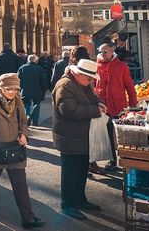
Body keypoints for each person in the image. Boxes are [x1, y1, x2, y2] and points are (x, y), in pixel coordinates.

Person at [0, 73, 44, 228]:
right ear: (0, 87)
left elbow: (24, 121)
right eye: (8, 88)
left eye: (15, 89)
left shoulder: (18, 100)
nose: (12, 92)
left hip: (15, 148)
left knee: (20, 183)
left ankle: (28, 218)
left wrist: (24, 134)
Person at [52, 58, 104, 220]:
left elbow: (92, 99)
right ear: (78, 73)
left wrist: (100, 104)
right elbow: (68, 110)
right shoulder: (65, 85)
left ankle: (80, 200)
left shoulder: (83, 84)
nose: (90, 81)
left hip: (81, 135)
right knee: (70, 172)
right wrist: (95, 110)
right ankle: (68, 205)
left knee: (81, 170)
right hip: (69, 136)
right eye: (89, 78)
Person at [95, 43, 137, 171]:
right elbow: (93, 85)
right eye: (100, 51)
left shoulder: (121, 66)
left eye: (105, 51)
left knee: (120, 135)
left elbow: (129, 87)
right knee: (107, 135)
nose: (102, 54)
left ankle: (126, 161)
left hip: (119, 106)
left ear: (112, 52)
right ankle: (112, 161)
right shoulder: (96, 66)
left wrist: (133, 106)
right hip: (103, 107)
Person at [18, 55, 48, 127]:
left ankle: (27, 116)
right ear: (35, 60)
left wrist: (20, 88)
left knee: (26, 105)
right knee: (36, 104)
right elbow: (43, 80)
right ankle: (34, 120)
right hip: (37, 89)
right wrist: (44, 88)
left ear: (28, 60)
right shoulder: (40, 68)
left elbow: (18, 79)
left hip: (25, 90)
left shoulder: (22, 68)